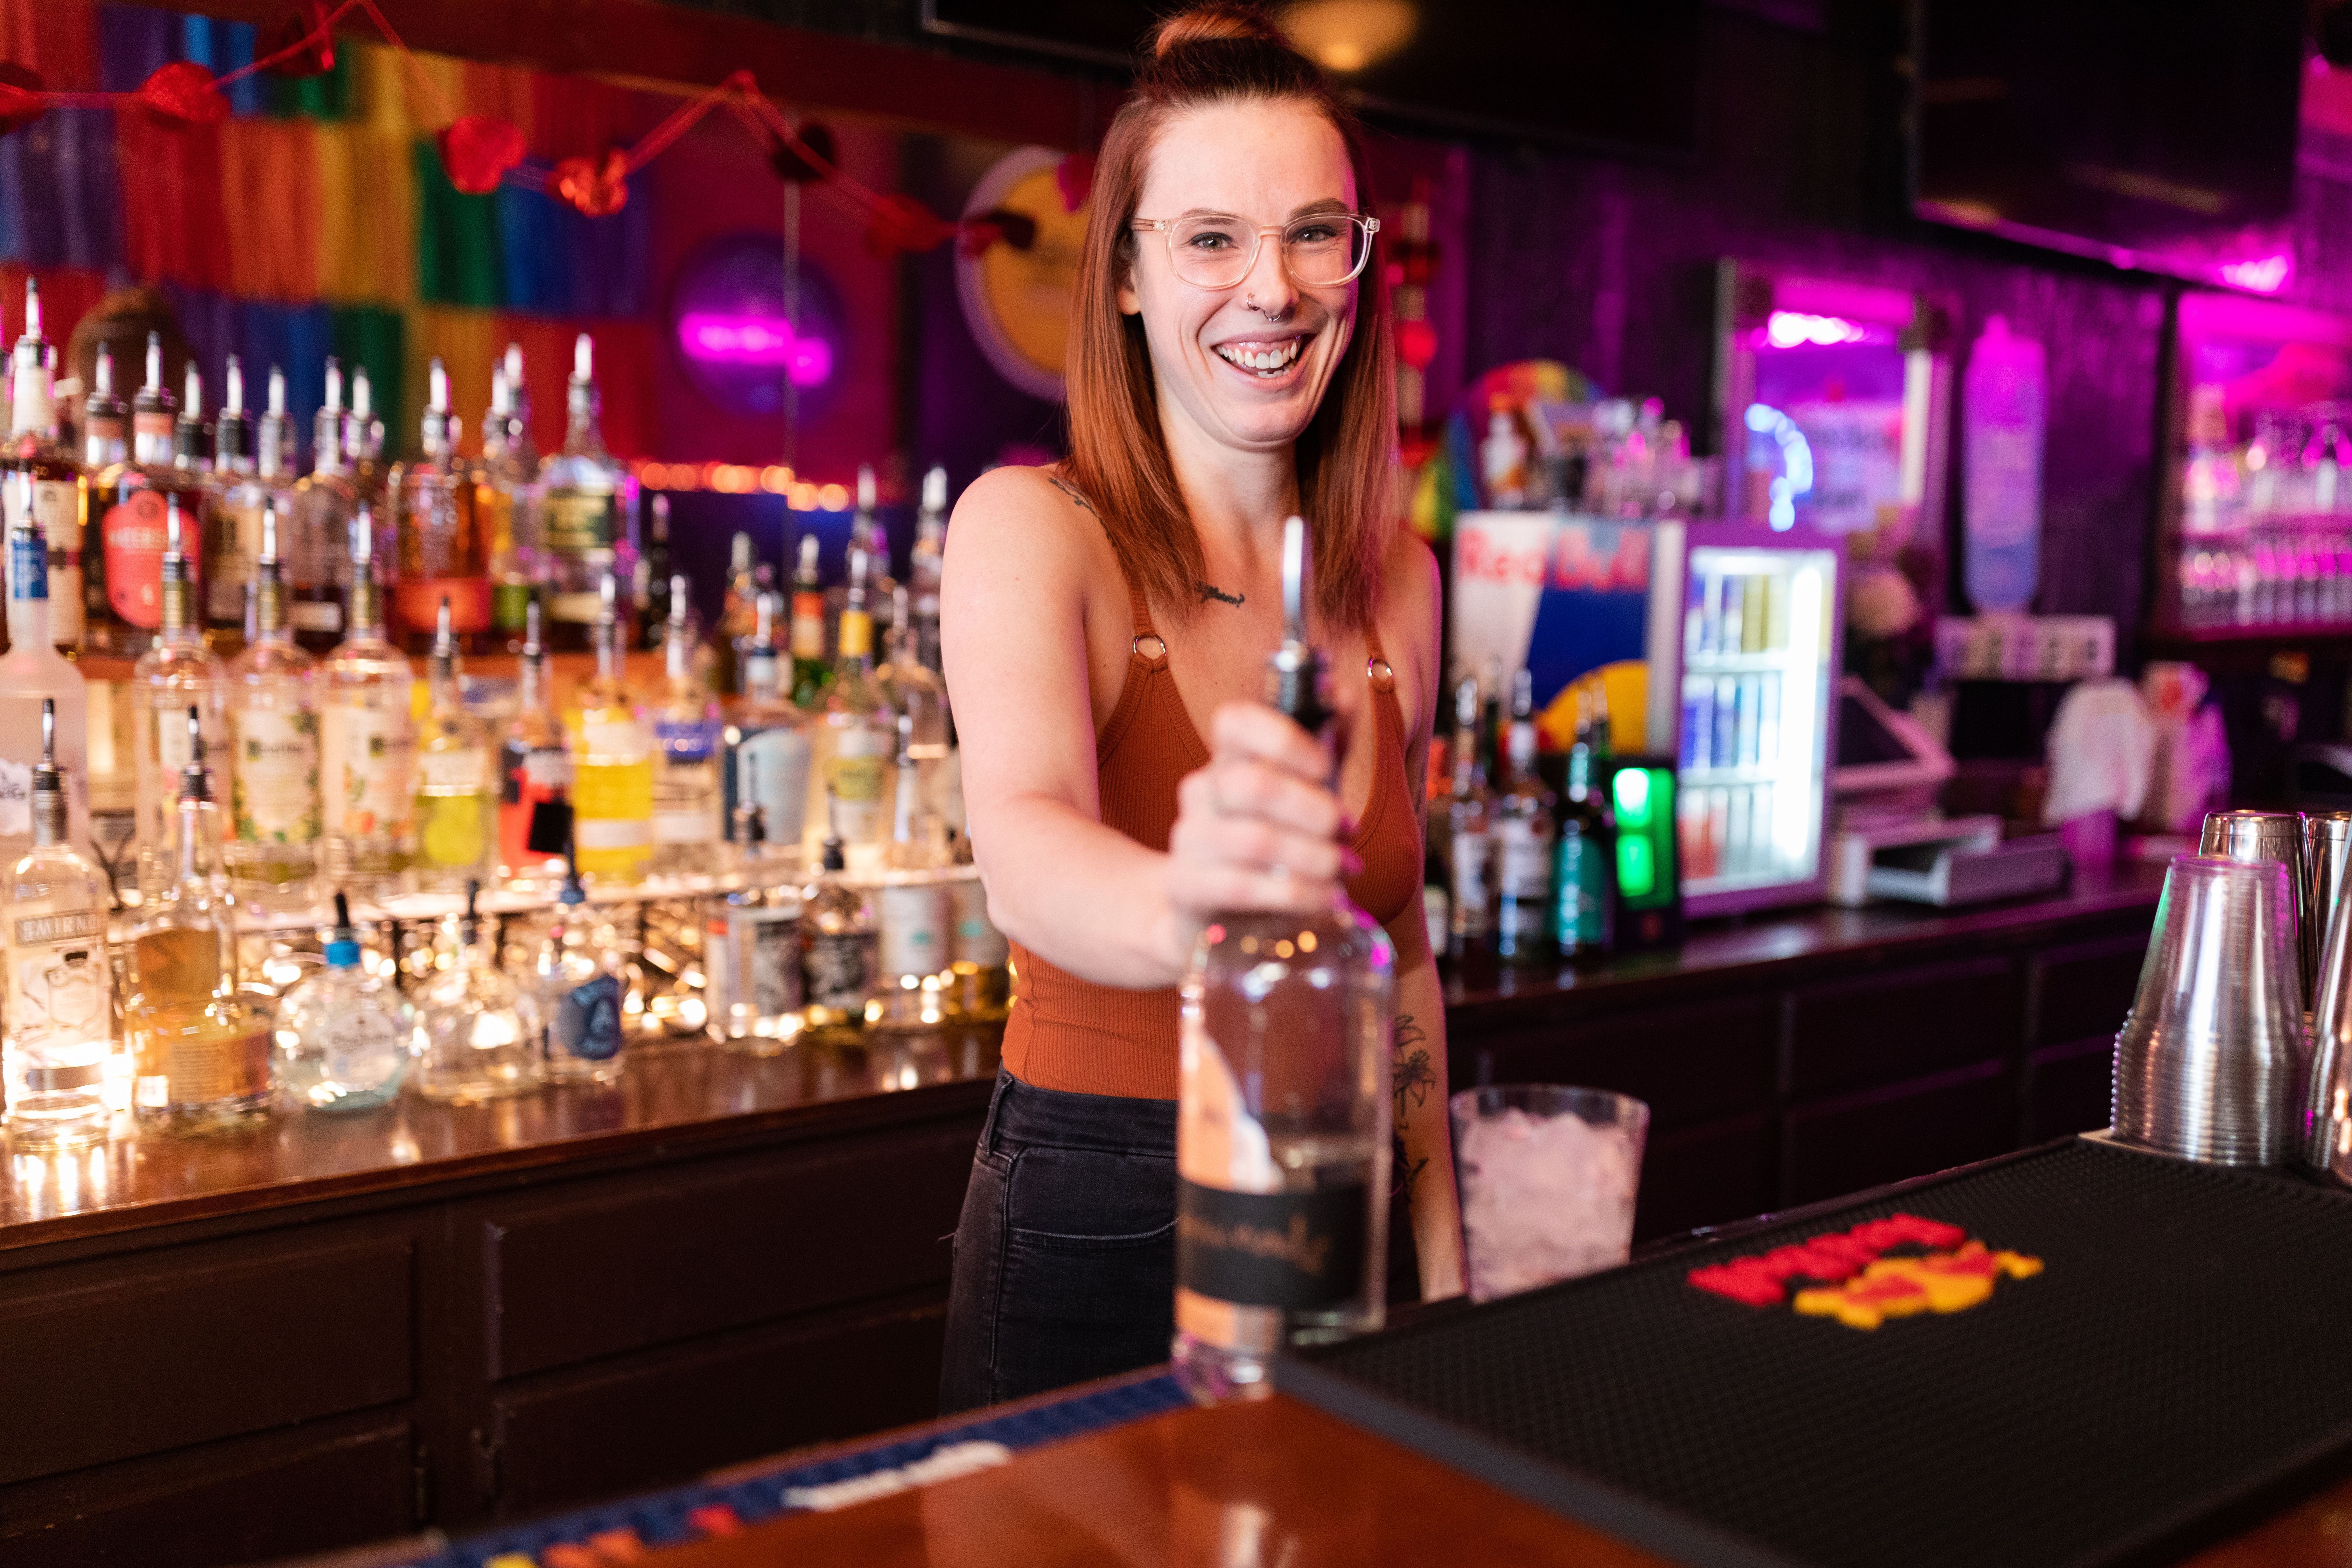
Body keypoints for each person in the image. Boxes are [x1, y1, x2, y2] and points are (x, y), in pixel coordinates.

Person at [937, 0, 1464, 1414]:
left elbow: (1398, 955)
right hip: (1103, 1203)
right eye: (1212, 239)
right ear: (1126, 272)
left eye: (1313, 232)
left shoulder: (1398, 580)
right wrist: (1206, 910)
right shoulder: (1031, 529)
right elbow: (1027, 850)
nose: (1272, 289)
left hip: (1340, 1197)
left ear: (1359, 262)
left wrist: (1450, 1266)